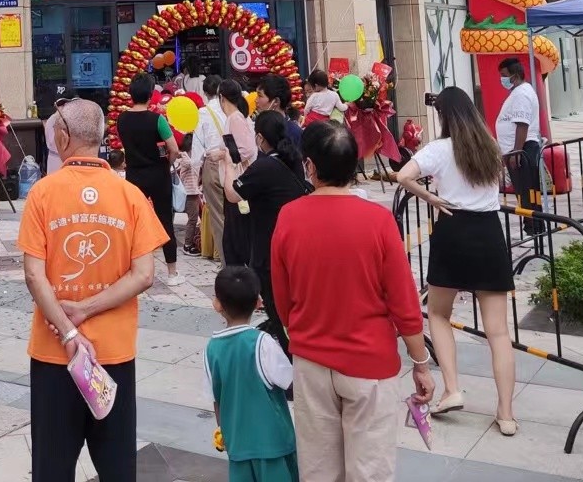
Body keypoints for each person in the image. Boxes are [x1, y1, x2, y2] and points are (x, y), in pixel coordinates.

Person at [271, 121, 434, 482]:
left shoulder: (289, 216)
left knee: (318, 469)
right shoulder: (378, 221)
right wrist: (420, 362)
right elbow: (404, 302)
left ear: (311, 166)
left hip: (311, 360)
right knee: (370, 471)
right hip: (370, 364)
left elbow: (282, 299)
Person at [18, 97, 168, 482]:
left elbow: (34, 275)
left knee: (52, 468)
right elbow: (144, 275)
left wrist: (70, 329)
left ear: (63, 136)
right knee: (117, 467)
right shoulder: (130, 195)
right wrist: (88, 309)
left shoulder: (42, 193)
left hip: (55, 352)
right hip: (113, 353)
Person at [397, 87, 517, 434]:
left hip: (452, 229)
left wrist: (432, 198)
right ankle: (506, 414)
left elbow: (402, 176)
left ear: (443, 116)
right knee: (498, 331)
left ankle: (452, 389)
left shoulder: (438, 149)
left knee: (438, 313)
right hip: (488, 232)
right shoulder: (489, 145)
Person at [218, 112, 308, 354]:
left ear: (260, 138)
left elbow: (233, 194)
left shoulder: (265, 166)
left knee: (277, 310)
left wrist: (228, 164)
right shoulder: (293, 159)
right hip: (293, 245)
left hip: (269, 249)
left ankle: (292, 359)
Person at [205, 266, 297, 482]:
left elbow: (216, 399)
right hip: (274, 446)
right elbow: (289, 381)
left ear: (217, 304)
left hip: (238, 446)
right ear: (258, 302)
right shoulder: (263, 342)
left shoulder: (212, 349)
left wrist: (224, 432)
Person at [117, 73, 181, 287]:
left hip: (134, 175)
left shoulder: (122, 119)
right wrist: (168, 162)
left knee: (132, 222)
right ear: (150, 94)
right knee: (165, 220)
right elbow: (174, 148)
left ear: (131, 94)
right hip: (158, 174)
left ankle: (129, 268)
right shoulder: (157, 120)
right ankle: (172, 272)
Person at [496, 57, 543, 230]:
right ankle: (532, 226)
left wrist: (516, 152)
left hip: (522, 150)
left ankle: (533, 227)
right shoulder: (519, 92)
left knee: (526, 193)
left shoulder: (521, 94)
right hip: (518, 149)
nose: (502, 79)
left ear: (514, 75)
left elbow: (522, 125)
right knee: (525, 193)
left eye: (504, 75)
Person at [217, 78, 256, 267]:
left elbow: (247, 149)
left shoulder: (235, 118)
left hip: (236, 182)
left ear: (222, 97)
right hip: (233, 182)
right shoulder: (235, 117)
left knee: (235, 237)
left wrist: (224, 156)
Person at [192, 74, 227, 263]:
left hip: (212, 164)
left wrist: (196, 171)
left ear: (205, 93)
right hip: (232, 163)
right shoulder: (232, 109)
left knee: (218, 216)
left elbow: (198, 146)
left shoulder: (203, 113)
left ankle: (225, 259)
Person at [255, 74, 303, 150]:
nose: (256, 100)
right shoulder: (259, 128)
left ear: (276, 101)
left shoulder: (294, 132)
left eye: (260, 96)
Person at [174, 132, 202, 255]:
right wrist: (182, 153)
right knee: (193, 219)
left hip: (194, 192)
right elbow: (189, 164)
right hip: (188, 193)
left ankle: (192, 242)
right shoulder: (185, 158)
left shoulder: (192, 158)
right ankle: (187, 245)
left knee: (195, 218)